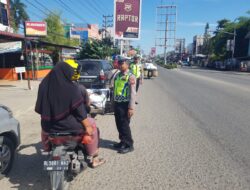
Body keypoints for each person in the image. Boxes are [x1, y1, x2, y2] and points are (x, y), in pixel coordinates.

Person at [35, 59, 105, 168]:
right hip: (70, 128)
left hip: (49, 128)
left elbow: (39, 108)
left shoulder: (43, 86)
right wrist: (87, 126)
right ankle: (93, 157)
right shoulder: (72, 88)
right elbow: (80, 112)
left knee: (43, 130)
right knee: (93, 126)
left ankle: (47, 149)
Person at [113, 58, 136, 154]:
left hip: (125, 104)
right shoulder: (118, 75)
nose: (120, 65)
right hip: (117, 103)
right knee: (119, 124)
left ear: (127, 65)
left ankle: (129, 145)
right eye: (119, 63)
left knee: (124, 125)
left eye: (122, 63)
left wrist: (131, 107)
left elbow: (133, 93)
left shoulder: (130, 76)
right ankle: (122, 141)